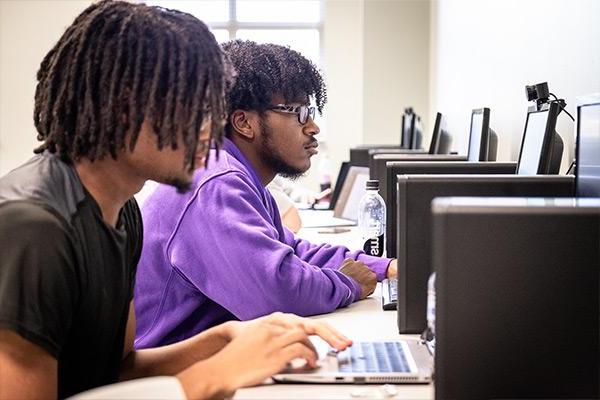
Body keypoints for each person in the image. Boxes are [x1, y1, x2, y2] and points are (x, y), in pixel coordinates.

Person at [0, 2, 351, 399]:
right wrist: (210, 377)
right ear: (127, 107)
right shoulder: (33, 226)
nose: (210, 129)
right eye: (197, 108)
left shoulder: (120, 210)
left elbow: (116, 370)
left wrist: (224, 340)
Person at [134, 40, 398, 349]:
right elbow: (277, 290)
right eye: (298, 112)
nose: (313, 127)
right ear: (245, 122)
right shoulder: (216, 182)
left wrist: (382, 267)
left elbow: (293, 250)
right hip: (174, 378)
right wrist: (348, 283)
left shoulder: (238, 176)